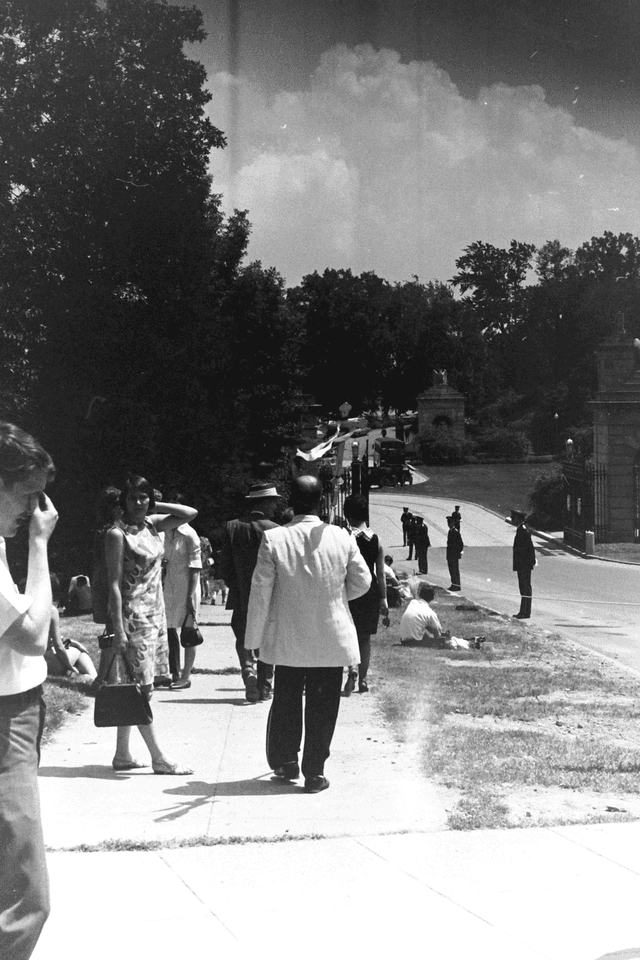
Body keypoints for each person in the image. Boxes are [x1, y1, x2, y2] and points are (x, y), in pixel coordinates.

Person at [246, 476, 371, 792]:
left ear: (292, 503)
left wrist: (253, 640)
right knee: (324, 704)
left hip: (289, 636)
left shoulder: (275, 539)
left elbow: (260, 592)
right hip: (330, 636)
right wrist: (335, 599)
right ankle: (314, 772)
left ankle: (287, 761)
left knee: (287, 699)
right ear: (321, 502)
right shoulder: (342, 538)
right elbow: (363, 581)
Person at [0, 421, 57, 959]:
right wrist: (40, 545)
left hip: (18, 708)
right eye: (27, 493)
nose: (36, 507)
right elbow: (32, 636)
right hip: (6, 719)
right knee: (24, 897)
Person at [105, 475, 195, 774]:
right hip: (133, 617)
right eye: (133, 498)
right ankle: (159, 757)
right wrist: (118, 628)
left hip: (156, 615)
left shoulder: (152, 524)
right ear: (123, 502)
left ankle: (122, 755)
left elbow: (189, 513)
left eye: (144, 497)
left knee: (136, 686)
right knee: (142, 689)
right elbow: (114, 585)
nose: (139, 503)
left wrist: (154, 504)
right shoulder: (117, 534)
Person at [219, 483, 280, 703]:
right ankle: (264, 685)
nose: (276, 505)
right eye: (273, 501)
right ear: (264, 502)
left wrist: (235, 585)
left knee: (242, 636)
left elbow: (224, 566)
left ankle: (248, 670)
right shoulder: (276, 530)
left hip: (240, 595)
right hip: (269, 596)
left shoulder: (232, 527)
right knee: (267, 639)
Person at [342, 494, 388, 695]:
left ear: (347, 513)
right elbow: (381, 573)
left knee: (349, 634)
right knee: (365, 638)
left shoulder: (344, 536)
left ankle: (351, 669)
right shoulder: (375, 539)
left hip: (350, 590)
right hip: (371, 591)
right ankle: (363, 679)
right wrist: (384, 599)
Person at [163, 504, 202, 690]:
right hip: (167, 589)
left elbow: (195, 567)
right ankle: (173, 671)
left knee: (188, 633)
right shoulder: (164, 533)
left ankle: (186, 675)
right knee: (169, 630)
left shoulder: (189, 534)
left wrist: (190, 596)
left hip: (187, 588)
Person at [91, 486, 122, 687]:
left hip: (104, 582)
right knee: (112, 633)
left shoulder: (105, 529)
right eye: (119, 505)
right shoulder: (110, 531)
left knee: (111, 632)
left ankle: (110, 677)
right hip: (108, 584)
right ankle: (103, 679)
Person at [44, 604, 97, 680]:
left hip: (30, 663)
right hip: (49, 661)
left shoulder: (23, 608)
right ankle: (94, 678)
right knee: (80, 652)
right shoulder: (50, 610)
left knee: (73, 649)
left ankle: (71, 674)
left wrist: (71, 642)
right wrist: (70, 667)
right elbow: (59, 648)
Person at [512, 511, 536, 619]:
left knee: (525, 587)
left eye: (514, 517)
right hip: (523, 564)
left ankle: (525, 612)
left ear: (518, 518)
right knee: (524, 587)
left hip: (524, 564)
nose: (512, 519)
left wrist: (528, 562)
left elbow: (529, 548)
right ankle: (524, 611)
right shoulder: (521, 529)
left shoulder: (523, 530)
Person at [446, 516, 464, 591]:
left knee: (454, 570)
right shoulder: (450, 531)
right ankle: (453, 584)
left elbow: (460, 544)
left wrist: (458, 552)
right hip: (450, 554)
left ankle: (456, 585)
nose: (448, 524)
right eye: (448, 522)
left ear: (453, 523)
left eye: (450, 522)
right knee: (451, 570)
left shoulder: (455, 532)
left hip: (454, 555)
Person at [199, 535, 213, 603]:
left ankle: (201, 595)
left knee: (200, 580)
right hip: (206, 563)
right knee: (206, 580)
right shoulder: (207, 541)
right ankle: (207, 595)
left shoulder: (198, 541)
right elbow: (211, 551)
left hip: (199, 562)